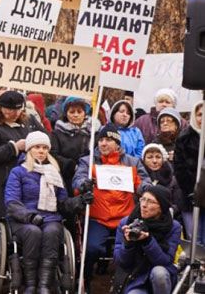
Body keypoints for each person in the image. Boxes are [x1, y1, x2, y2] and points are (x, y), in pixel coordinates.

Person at [5, 131, 91, 294]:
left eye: (45, 147)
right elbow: (12, 203)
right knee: (33, 232)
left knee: (52, 232)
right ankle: (30, 284)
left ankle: (44, 284)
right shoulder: (18, 172)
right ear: (29, 149)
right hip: (24, 220)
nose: (41, 151)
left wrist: (79, 202)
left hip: (51, 218)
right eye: (37, 147)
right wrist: (29, 216)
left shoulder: (54, 172)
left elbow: (63, 203)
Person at [72, 123, 151, 291]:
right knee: (91, 248)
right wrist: (83, 183)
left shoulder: (133, 162)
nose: (103, 144)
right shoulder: (88, 160)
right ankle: (84, 280)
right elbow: (77, 180)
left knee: (132, 248)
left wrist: (144, 188)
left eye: (108, 140)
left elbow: (145, 183)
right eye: (101, 140)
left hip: (125, 218)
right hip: (98, 218)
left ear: (117, 143)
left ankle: (128, 284)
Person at [0, 90, 45, 228]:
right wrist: (14, 148)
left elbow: (45, 139)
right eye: (9, 110)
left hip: (27, 180)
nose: (14, 113)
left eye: (17, 109)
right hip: (2, 182)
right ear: (0, 108)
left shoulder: (28, 123)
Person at [113, 185, 182, 294]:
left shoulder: (173, 227)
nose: (144, 205)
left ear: (161, 207)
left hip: (161, 277)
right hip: (136, 275)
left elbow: (165, 261)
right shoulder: (127, 222)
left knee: (159, 273)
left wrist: (148, 241)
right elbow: (121, 262)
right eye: (143, 199)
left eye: (150, 201)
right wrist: (128, 243)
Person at [174, 102, 204, 244]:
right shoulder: (184, 138)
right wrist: (192, 192)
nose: (203, 118)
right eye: (199, 115)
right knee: (195, 239)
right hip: (189, 195)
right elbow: (180, 169)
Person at [50, 97, 92, 194]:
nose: (76, 115)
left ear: (85, 113)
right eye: (72, 112)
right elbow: (53, 154)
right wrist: (70, 165)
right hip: (65, 177)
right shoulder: (57, 133)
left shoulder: (92, 132)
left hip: (86, 176)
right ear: (66, 114)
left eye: (79, 111)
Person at [141, 144, 182, 217]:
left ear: (163, 159)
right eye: (150, 157)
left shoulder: (173, 180)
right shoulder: (139, 178)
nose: (154, 161)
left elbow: (178, 203)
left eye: (158, 157)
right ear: (143, 160)